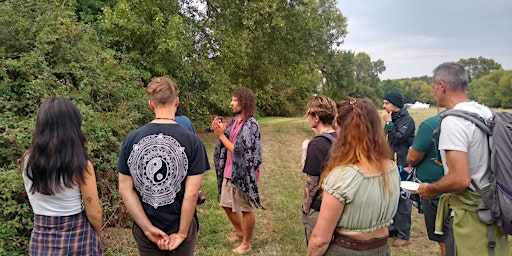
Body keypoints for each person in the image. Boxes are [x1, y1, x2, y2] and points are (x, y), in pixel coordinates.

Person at [417, 62, 510, 256]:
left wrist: (430, 188)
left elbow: (460, 179)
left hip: (471, 215)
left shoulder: (454, 121)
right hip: (493, 205)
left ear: (442, 86)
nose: (434, 94)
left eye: (434, 88)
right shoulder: (484, 111)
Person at [117, 77, 210, 256]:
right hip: (180, 223)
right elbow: (191, 194)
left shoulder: (131, 139)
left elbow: (125, 189)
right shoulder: (193, 141)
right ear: (176, 101)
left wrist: (147, 228)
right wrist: (182, 233)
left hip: (146, 226)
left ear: (150, 104)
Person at [307, 97, 400, 256]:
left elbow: (320, 240)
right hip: (382, 249)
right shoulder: (391, 168)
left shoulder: (342, 177)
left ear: (342, 130)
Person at [22, 97, 103, 255]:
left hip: (41, 239)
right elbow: (94, 213)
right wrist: (97, 234)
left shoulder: (27, 160)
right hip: (79, 238)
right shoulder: (81, 165)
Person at [212, 87, 263, 254]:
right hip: (229, 169)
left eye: (234, 100)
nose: (231, 103)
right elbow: (229, 139)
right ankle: (240, 232)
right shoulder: (236, 120)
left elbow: (240, 151)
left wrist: (221, 135)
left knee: (245, 209)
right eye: (232, 100)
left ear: (244, 102)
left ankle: (246, 243)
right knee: (226, 204)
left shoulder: (251, 124)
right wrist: (222, 129)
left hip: (243, 173)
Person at [407, 107, 448, 256]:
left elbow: (412, 158)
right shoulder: (476, 118)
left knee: (444, 238)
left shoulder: (430, 125)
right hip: (469, 190)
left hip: (437, 191)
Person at [301, 95, 337, 244]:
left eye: (309, 114)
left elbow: (312, 181)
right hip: (336, 201)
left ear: (316, 118)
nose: (307, 118)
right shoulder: (340, 137)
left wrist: (306, 207)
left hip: (320, 205)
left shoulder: (317, 144)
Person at [382, 91, 415, 247]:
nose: (384, 106)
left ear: (395, 104)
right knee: (390, 198)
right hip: (390, 164)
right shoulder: (392, 119)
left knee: (403, 200)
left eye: (386, 103)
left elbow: (397, 138)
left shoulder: (407, 120)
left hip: (403, 165)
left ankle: (404, 235)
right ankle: (393, 228)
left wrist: (389, 123)